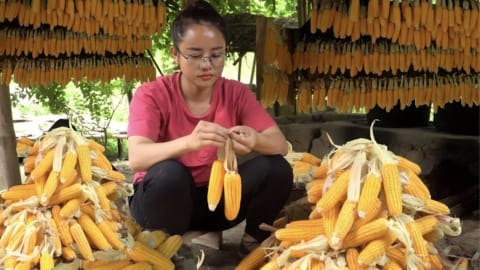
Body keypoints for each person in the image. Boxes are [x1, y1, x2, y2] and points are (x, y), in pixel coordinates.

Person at [127, 0, 293, 256]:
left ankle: (253, 243)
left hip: (217, 205)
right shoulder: (151, 94)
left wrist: (255, 139)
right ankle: (168, 244)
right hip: (161, 202)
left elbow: (279, 144)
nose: (207, 64)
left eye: (216, 55)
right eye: (195, 55)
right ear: (175, 54)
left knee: (276, 168)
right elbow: (137, 158)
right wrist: (189, 143)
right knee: (170, 173)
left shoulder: (236, 93)